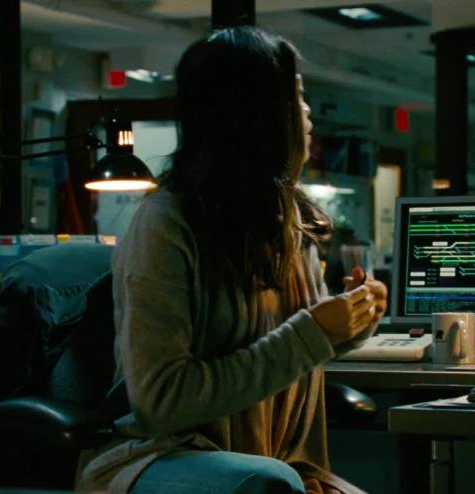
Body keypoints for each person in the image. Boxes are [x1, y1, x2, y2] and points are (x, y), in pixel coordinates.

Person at [76, 26, 387, 494]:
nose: (307, 113)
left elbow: (291, 349)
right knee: (268, 483)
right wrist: (315, 334)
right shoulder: (166, 224)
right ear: (258, 114)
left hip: (274, 465)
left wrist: (352, 321)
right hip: (162, 456)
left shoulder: (289, 222)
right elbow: (161, 403)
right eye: (296, 97)